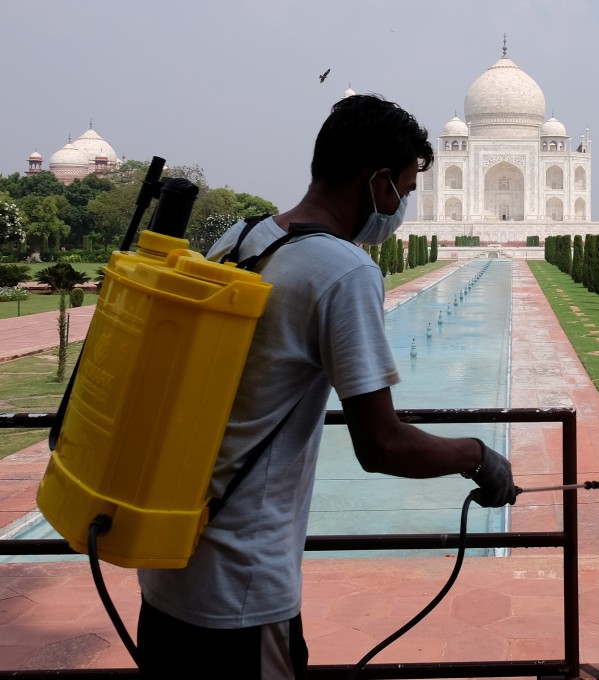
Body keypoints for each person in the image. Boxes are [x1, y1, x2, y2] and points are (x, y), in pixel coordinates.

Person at [135, 94, 518, 679]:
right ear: (378, 183)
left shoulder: (241, 240)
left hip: (167, 568)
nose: (402, 209)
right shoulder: (342, 270)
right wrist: (477, 456)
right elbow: (380, 445)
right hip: (240, 589)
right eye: (405, 192)